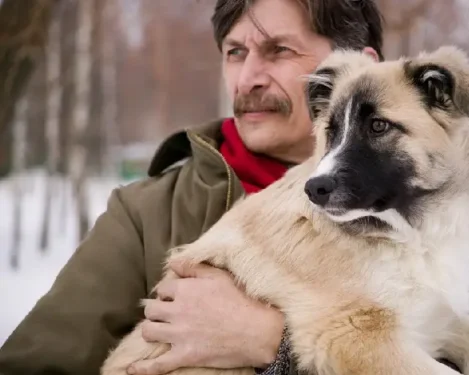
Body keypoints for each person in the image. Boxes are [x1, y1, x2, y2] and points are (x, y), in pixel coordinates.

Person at [0, 0, 389, 374]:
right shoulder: (148, 213)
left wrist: (277, 343)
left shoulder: (429, 218)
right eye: (235, 52)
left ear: (361, 69)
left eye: (279, 50)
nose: (248, 78)